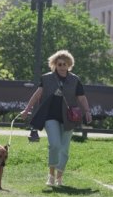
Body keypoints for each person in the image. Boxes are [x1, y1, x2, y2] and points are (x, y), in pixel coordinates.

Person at [21, 50, 92, 186]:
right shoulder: (47, 78)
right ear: (54, 64)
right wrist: (27, 109)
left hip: (69, 118)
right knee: (55, 145)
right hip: (50, 117)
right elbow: (37, 95)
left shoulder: (75, 80)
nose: (62, 67)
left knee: (64, 149)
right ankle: (51, 175)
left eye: (65, 64)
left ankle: (59, 177)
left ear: (69, 65)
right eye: (59, 64)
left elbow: (81, 98)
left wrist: (87, 111)